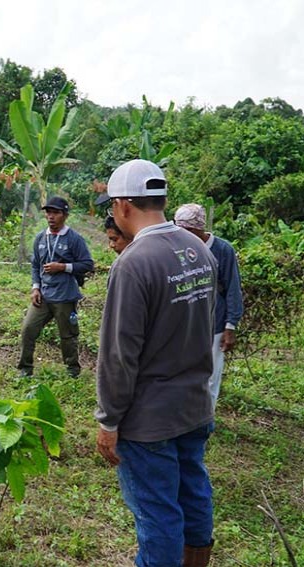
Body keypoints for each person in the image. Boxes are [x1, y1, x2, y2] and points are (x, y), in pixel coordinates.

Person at [95, 160, 217, 567]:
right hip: (195, 404)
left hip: (150, 419)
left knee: (158, 513)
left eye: (113, 207)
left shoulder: (133, 262)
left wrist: (109, 421)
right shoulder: (198, 248)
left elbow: (118, 354)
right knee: (192, 490)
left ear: (124, 206)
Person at [174, 203, 244, 409]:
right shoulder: (177, 247)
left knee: (211, 375)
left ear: (197, 230)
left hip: (215, 322)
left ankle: (205, 419)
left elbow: (233, 288)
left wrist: (230, 326)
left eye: (184, 230)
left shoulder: (222, 250)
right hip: (184, 322)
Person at [17, 196, 94, 378]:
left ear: (65, 215)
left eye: (56, 213)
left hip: (65, 296)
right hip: (43, 295)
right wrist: (35, 287)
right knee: (28, 329)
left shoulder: (74, 239)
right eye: (48, 212)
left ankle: (72, 371)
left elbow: (87, 264)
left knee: (68, 336)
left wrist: (63, 267)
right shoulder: (40, 238)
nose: (51, 216)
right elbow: (36, 265)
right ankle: (25, 370)